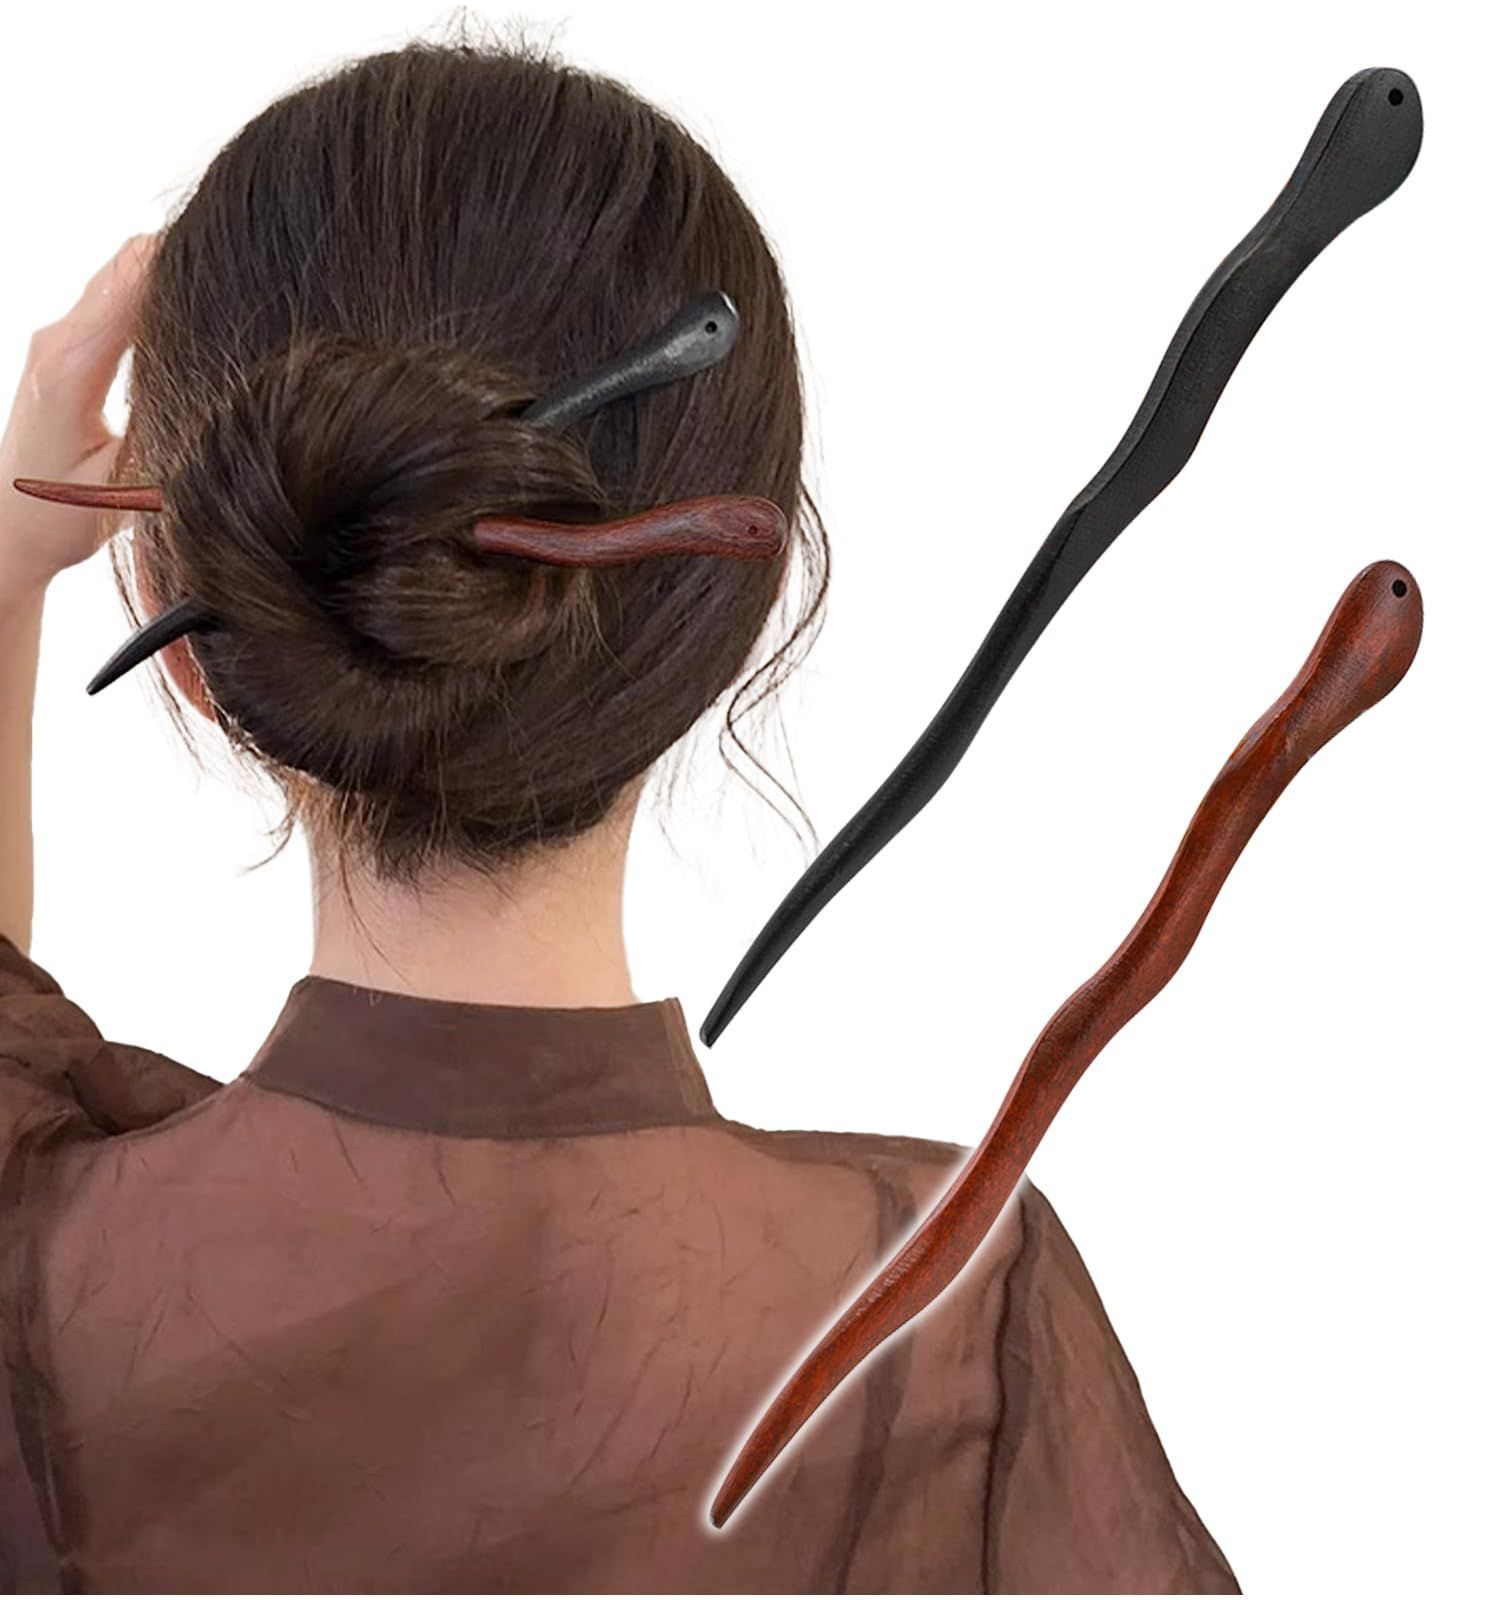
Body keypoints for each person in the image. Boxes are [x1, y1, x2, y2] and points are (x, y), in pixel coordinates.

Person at [0, 30, 1240, 1594]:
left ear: (190, 637)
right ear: (726, 613)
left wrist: (10, 569)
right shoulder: (949, 1324)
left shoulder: (37, 1270)